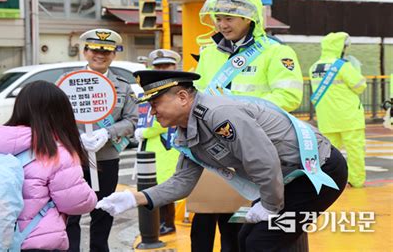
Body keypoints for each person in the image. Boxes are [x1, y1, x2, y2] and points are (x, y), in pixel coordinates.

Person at [96, 70, 348, 252]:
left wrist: (270, 206)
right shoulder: (186, 131)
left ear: (183, 97)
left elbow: (262, 160)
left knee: (261, 242)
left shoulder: (218, 115)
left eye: (155, 103)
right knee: (247, 238)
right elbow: (183, 182)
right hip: (285, 177)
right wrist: (134, 199)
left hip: (317, 172)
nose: (152, 111)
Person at [192, 0, 304, 251]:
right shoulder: (209, 54)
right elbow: (198, 95)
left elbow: (289, 97)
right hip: (216, 147)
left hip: (257, 148)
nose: (221, 24)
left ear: (249, 18)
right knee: (205, 222)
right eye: (218, 18)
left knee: (241, 226)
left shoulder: (276, 52)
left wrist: (240, 112)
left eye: (228, 18)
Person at [0, 80, 97, 251]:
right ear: (61, 113)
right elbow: (74, 202)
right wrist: (92, 198)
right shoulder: (55, 151)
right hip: (34, 240)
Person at [66, 28, 138, 252]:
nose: (100, 55)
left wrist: (107, 133)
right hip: (72, 159)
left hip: (106, 158)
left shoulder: (124, 87)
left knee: (103, 211)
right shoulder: (67, 83)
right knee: (69, 214)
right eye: (95, 50)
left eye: (107, 51)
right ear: (85, 52)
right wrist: (74, 137)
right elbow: (52, 118)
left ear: (114, 54)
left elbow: (133, 120)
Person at [309, 32, 367, 188]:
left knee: (327, 154)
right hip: (349, 117)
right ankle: (356, 180)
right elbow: (360, 86)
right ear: (340, 47)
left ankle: (328, 181)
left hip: (327, 118)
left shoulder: (314, 67)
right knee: (355, 151)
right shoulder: (343, 66)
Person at [133, 49, 181, 235]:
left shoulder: (176, 87)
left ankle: (167, 224)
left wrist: (145, 131)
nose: (162, 69)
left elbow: (169, 116)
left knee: (165, 185)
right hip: (152, 145)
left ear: (174, 66)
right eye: (158, 66)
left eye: (166, 65)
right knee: (153, 184)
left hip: (167, 145)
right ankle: (160, 223)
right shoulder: (149, 87)